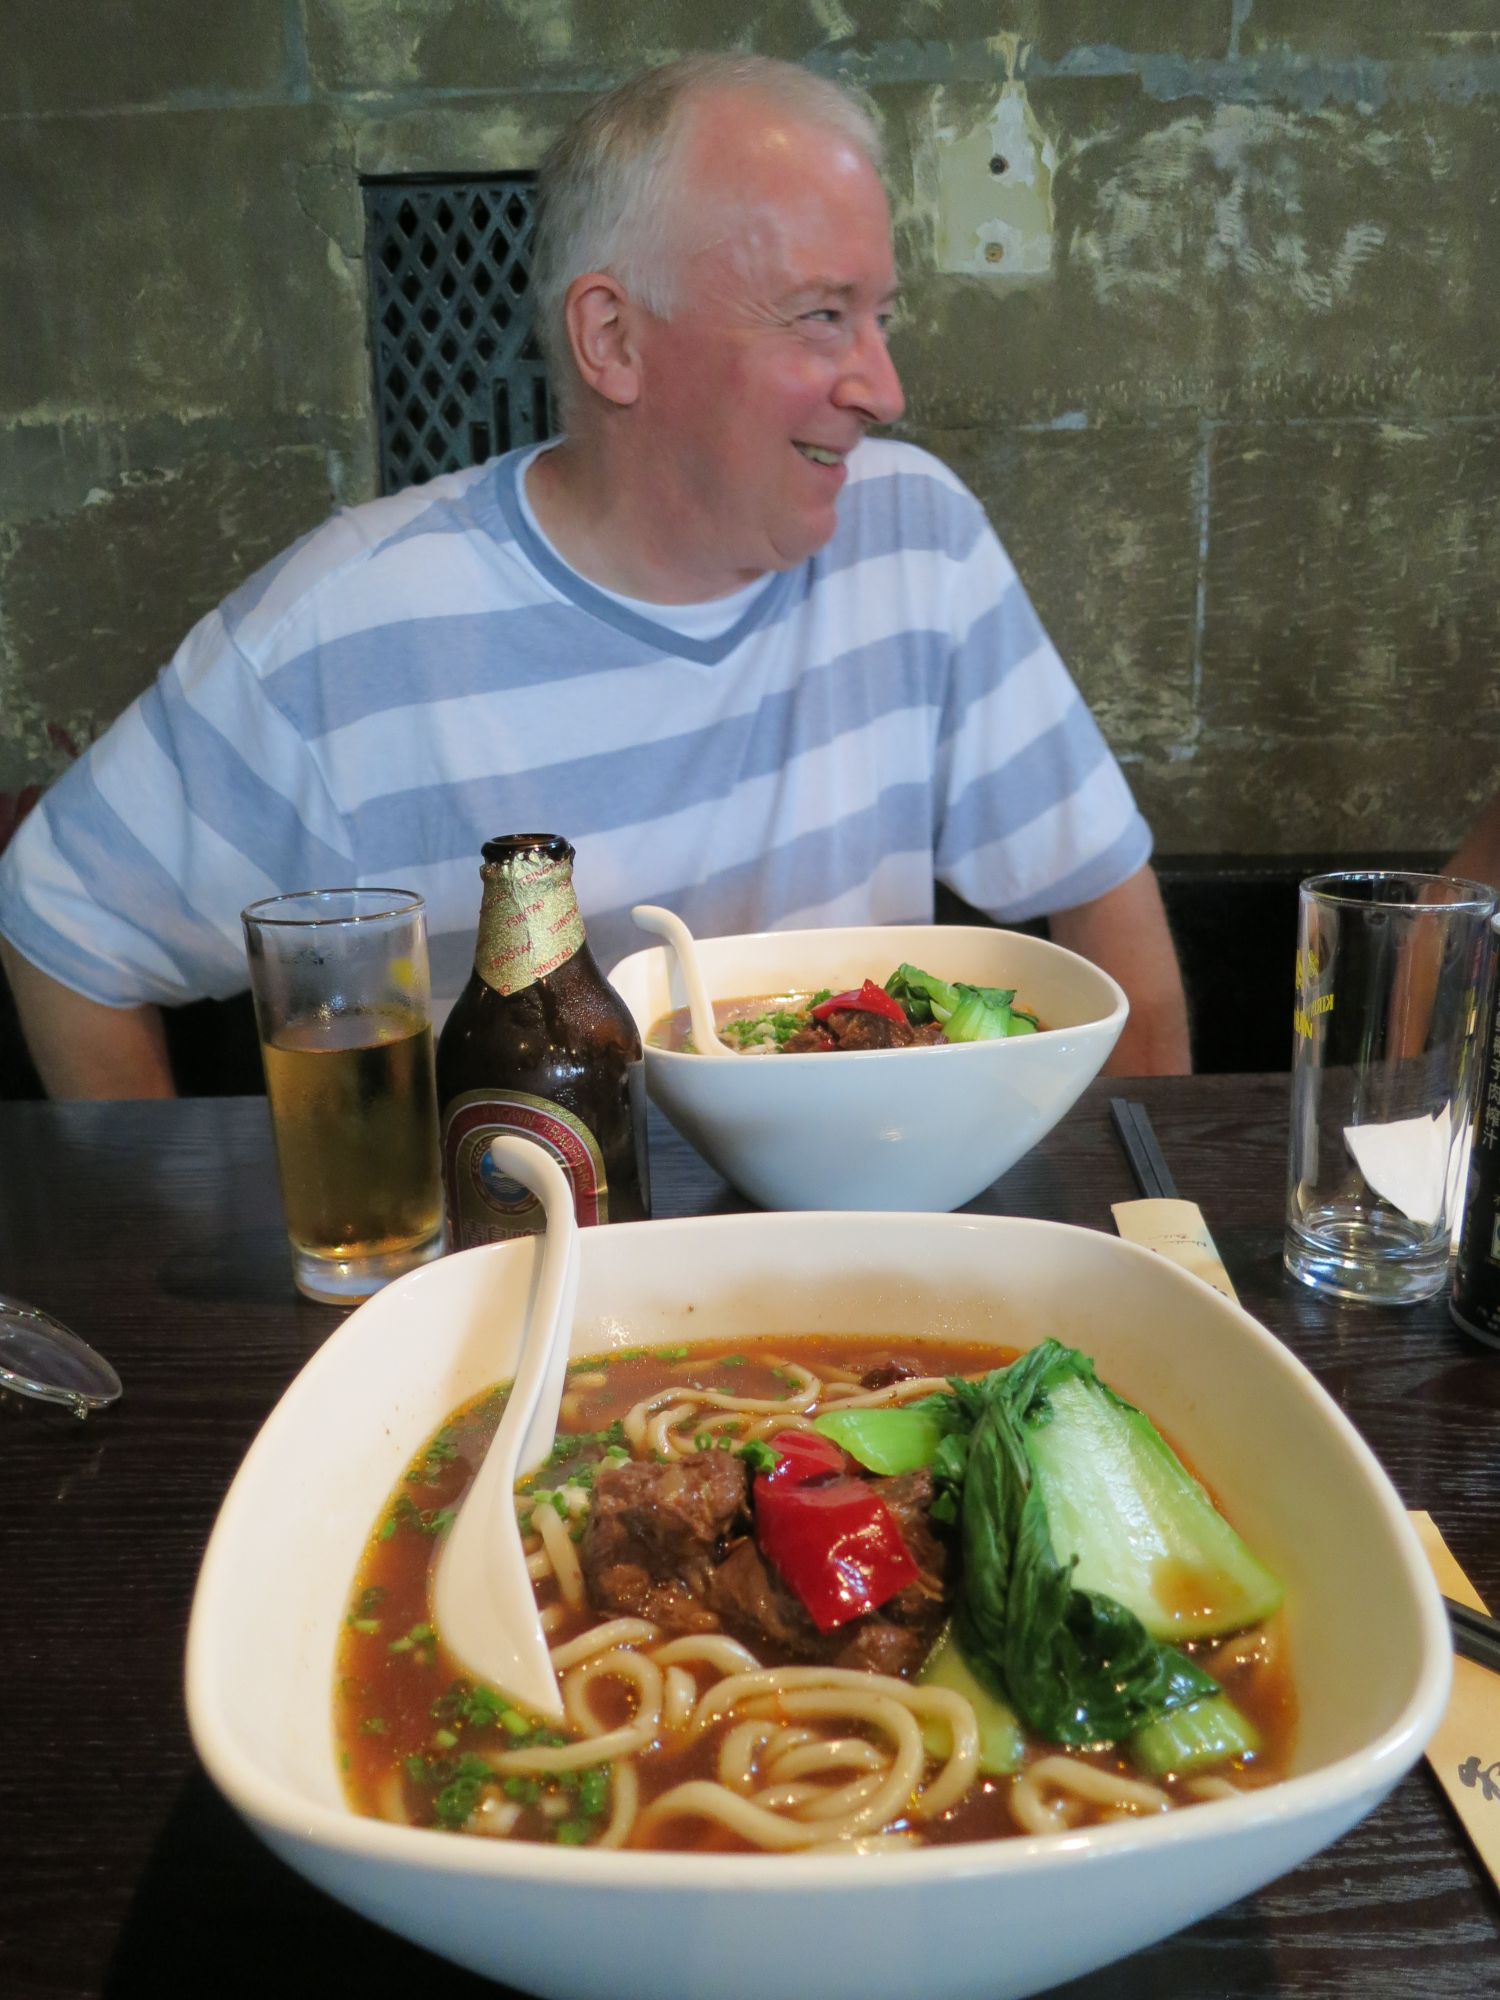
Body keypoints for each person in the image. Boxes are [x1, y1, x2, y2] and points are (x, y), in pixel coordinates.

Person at [0, 54, 1190, 1100]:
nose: (885, 389)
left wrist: (1156, 1227)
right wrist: (182, 1228)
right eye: (823, 317)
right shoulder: (340, 630)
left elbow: (1103, 896)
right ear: (614, 339)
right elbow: (60, 924)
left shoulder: (915, 535)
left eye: (880, 316)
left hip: (869, 1267)